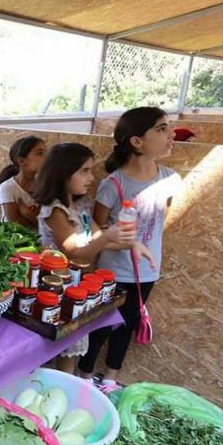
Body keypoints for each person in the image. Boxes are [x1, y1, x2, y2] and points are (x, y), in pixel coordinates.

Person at [78, 107, 181, 392]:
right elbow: (95, 230)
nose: (171, 135)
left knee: (128, 323)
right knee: (99, 327)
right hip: (111, 270)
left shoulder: (170, 178)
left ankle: (110, 379)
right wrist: (123, 243)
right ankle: (84, 376)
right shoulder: (114, 183)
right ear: (137, 141)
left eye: (168, 127)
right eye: (161, 129)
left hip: (147, 270)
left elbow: (161, 221)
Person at [34, 143, 153, 375]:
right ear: (63, 173)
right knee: (54, 347)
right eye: (84, 171)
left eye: (91, 170)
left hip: (79, 287)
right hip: (56, 291)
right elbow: (75, 251)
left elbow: (97, 237)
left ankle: (66, 385)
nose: (91, 177)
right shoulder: (55, 210)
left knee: (72, 346)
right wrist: (108, 235)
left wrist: (131, 243)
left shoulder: (81, 205)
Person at [0, 135, 46, 229]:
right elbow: (13, 223)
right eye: (40, 153)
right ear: (22, 161)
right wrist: (35, 220)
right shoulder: (8, 187)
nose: (46, 157)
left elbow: (46, 222)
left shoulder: (43, 186)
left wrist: (28, 214)